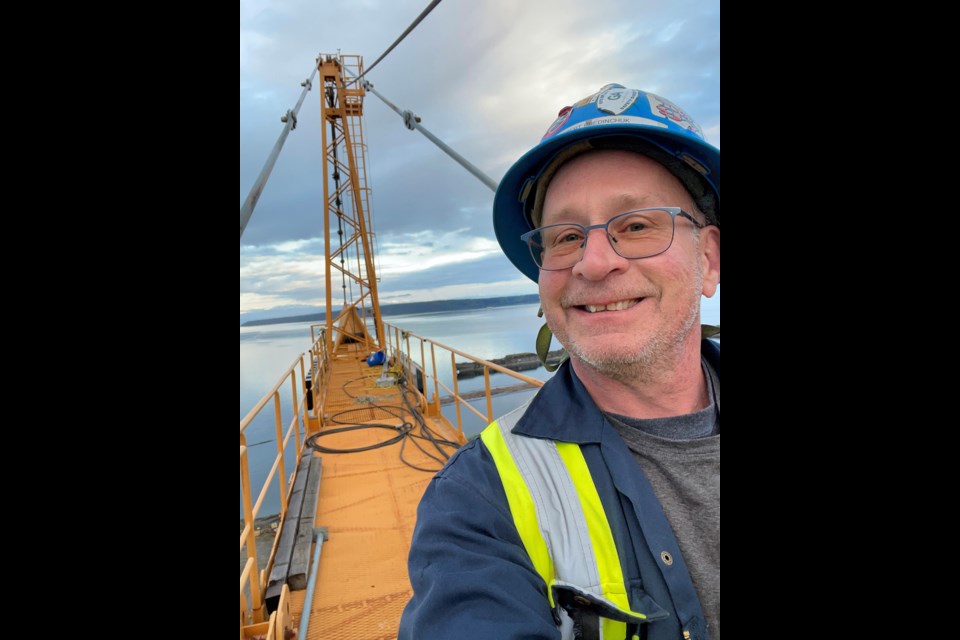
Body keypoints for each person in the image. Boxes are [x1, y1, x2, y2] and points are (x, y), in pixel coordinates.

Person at [398, 84, 720, 640]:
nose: (594, 263)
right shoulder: (478, 499)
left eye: (637, 224)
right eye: (566, 237)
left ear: (710, 258)